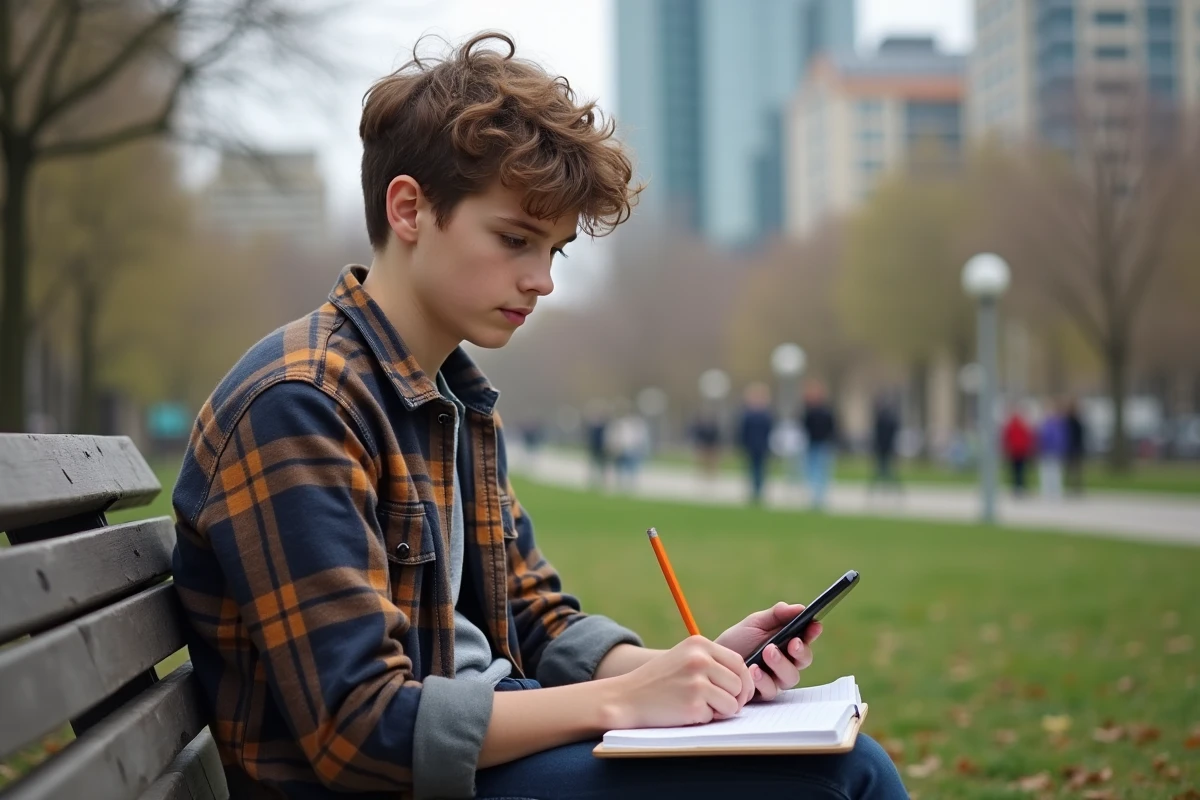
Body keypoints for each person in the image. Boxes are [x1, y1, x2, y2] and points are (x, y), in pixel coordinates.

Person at [170, 33, 905, 800]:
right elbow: (363, 729)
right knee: (841, 777)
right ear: (410, 208)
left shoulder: (450, 397)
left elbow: (535, 616)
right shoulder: (303, 403)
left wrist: (686, 674)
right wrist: (622, 702)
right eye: (515, 240)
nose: (541, 281)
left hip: (491, 755)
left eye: (553, 251)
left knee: (836, 761)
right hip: (407, 786)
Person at [801, 381, 839, 511]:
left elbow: (832, 428)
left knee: (821, 471)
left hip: (822, 444)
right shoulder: (810, 412)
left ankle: (820, 496)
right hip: (813, 444)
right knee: (813, 472)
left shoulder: (825, 412)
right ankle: (816, 497)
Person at [738, 383, 775, 505]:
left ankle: (758, 491)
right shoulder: (748, 415)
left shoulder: (766, 415)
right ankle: (754, 491)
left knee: (760, 470)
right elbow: (743, 432)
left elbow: (770, 432)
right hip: (751, 446)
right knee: (752, 469)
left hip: (762, 447)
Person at [869, 394, 902, 492]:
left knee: (882, 470)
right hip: (888, 448)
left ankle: (879, 488)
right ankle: (887, 487)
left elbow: (877, 435)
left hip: (882, 448)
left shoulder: (881, 419)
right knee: (886, 470)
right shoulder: (891, 420)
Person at [1037, 405, 1068, 500]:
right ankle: (1050, 493)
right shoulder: (1051, 426)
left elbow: (1059, 440)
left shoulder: (1052, 426)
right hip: (1049, 453)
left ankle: (1053, 493)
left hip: (1052, 452)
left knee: (1053, 473)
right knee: (1050, 473)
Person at [1002, 408, 1035, 495]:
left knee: (1016, 471)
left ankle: (1017, 487)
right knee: (1020, 471)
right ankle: (1019, 487)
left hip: (1016, 451)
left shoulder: (1011, 426)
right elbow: (1027, 438)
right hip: (1020, 451)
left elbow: (1007, 438)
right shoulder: (1022, 425)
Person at [689, 411, 722, 480]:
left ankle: (711, 475)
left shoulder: (713, 428)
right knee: (702, 461)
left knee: (711, 462)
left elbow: (717, 437)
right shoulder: (702, 428)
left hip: (711, 446)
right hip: (704, 446)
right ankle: (702, 474)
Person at [1064, 399, 1087, 495]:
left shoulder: (1073, 421)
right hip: (1072, 448)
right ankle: (1073, 487)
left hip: (1074, 448)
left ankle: (1074, 487)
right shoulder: (1071, 421)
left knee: (1074, 470)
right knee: (1073, 470)